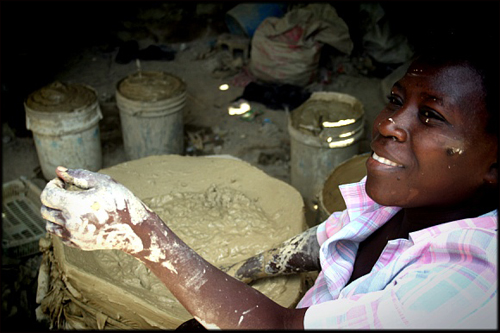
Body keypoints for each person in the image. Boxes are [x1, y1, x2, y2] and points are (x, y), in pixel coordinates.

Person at [40, 36, 498, 329]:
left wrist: (137, 229)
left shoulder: (466, 286)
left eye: (431, 116)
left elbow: (278, 329)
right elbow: (327, 237)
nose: (391, 123)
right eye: (396, 99)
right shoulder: (414, 199)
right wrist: (252, 266)